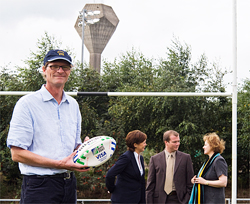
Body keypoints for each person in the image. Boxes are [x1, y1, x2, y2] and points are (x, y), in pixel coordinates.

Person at [6, 49, 89, 204]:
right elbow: (17, 154)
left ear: (70, 71)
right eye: (54, 66)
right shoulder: (27, 104)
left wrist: (85, 150)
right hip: (40, 186)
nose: (60, 70)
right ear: (44, 70)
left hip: (69, 185)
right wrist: (59, 164)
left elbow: (74, 147)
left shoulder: (73, 105)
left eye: (65, 67)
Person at [146, 130, 194, 204]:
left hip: (179, 200)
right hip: (159, 200)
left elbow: (190, 183)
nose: (177, 144)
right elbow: (150, 185)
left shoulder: (185, 158)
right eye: (174, 142)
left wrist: (186, 200)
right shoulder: (155, 159)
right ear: (166, 142)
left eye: (178, 141)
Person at [105, 130, 147, 204]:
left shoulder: (140, 158)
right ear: (135, 145)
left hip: (137, 200)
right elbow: (110, 174)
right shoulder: (126, 157)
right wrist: (112, 189)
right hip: (123, 200)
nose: (145, 144)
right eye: (143, 143)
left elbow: (141, 181)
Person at [189, 132, 228, 204]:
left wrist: (205, 182)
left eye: (205, 145)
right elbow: (203, 178)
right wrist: (196, 180)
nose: (203, 147)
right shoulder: (208, 162)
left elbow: (223, 182)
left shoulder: (218, 160)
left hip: (214, 201)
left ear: (212, 146)